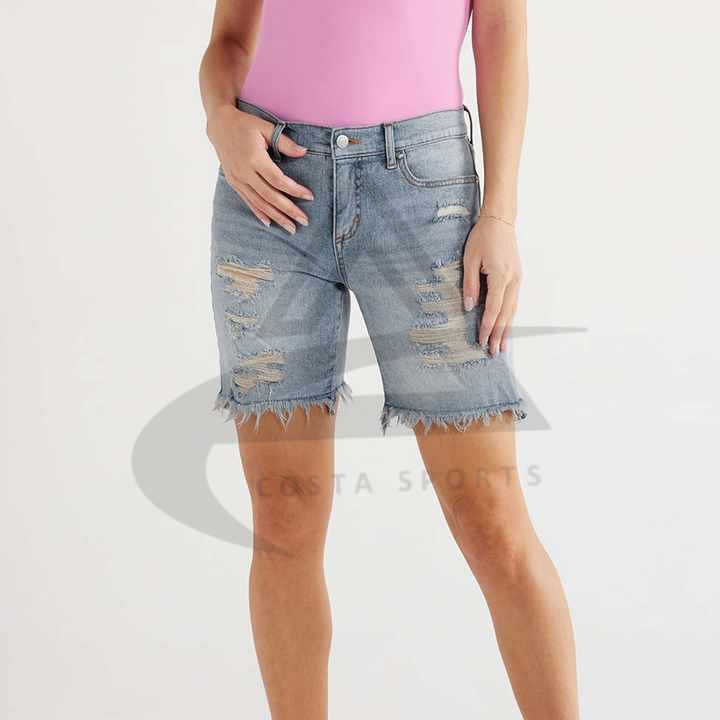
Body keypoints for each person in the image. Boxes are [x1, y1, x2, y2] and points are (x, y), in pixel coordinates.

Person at [199, 1, 579, 717]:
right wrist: (220, 116)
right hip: (267, 189)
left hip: (423, 194)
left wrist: (499, 214)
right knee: (283, 516)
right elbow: (228, 38)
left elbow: (502, 27)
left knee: (490, 516)